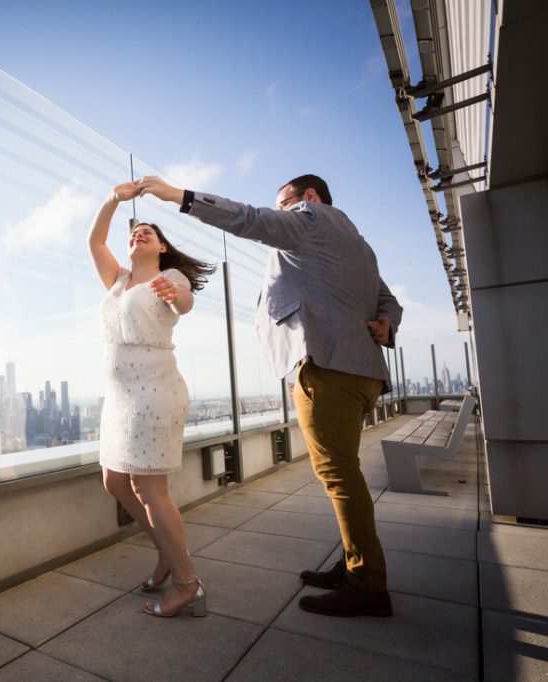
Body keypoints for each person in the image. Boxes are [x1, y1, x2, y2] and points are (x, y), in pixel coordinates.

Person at [137, 173, 403, 617]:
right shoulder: (358, 243)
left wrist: (178, 197)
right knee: (345, 475)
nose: (281, 213)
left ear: (310, 198)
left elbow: (249, 219)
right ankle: (355, 562)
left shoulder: (310, 217)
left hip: (329, 366)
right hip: (361, 370)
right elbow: (387, 300)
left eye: (284, 204)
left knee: (339, 475)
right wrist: (387, 324)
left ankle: (368, 583)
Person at [88, 181, 215, 618]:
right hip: (119, 397)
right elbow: (95, 240)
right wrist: (113, 200)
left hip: (154, 392)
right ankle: (166, 551)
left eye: (148, 232)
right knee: (115, 481)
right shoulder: (118, 281)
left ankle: (187, 583)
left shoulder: (170, 276)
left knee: (147, 486)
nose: (138, 235)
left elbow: (184, 303)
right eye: (133, 233)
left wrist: (174, 295)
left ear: (162, 246)